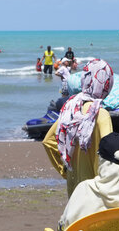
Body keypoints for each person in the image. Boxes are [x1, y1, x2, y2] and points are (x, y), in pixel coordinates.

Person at [44, 59, 114, 197]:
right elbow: (109, 156)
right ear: (106, 84)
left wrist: (66, 170)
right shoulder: (101, 115)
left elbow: (48, 141)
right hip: (95, 194)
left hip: (74, 193)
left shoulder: (70, 109)